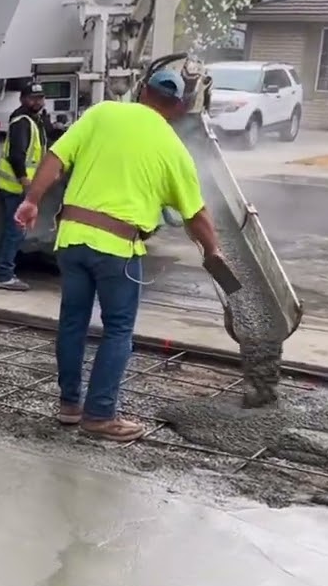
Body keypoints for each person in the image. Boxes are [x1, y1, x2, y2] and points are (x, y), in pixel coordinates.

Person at [14, 69, 224, 442]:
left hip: (72, 240)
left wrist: (31, 201)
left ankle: (69, 406)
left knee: (73, 322)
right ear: (177, 108)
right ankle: (99, 416)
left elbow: (55, 157)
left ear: (142, 91)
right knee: (118, 331)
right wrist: (213, 251)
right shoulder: (172, 147)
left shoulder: (101, 113)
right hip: (117, 249)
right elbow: (196, 215)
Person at [0, 81, 49, 292]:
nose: (38, 101)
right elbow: (17, 156)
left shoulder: (34, 119)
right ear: (23, 99)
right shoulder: (22, 122)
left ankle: (5, 271)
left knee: (15, 230)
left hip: (19, 187)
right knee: (14, 231)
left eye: (40, 98)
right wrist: (27, 185)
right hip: (15, 188)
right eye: (33, 98)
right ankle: (4, 275)